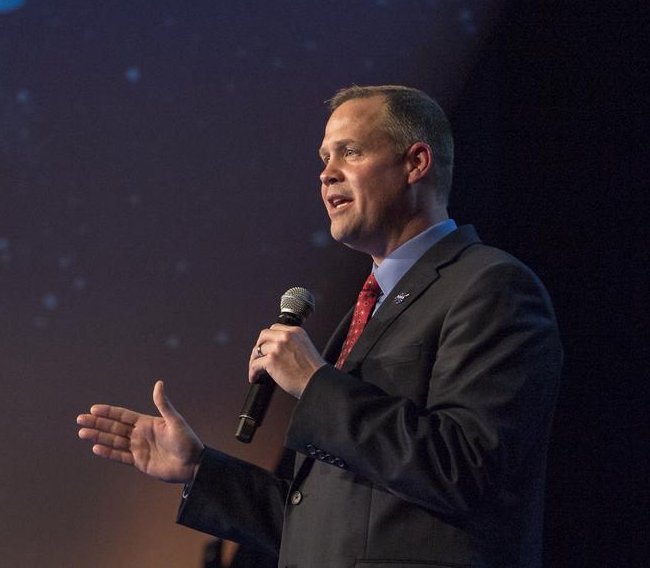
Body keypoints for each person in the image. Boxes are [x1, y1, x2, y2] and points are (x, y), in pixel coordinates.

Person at [76, 85, 561, 568]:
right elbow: (328, 523)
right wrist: (200, 470)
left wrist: (314, 382)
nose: (327, 174)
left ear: (416, 163)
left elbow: (468, 469)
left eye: (350, 152)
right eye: (325, 157)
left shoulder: (491, 287)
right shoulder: (367, 310)